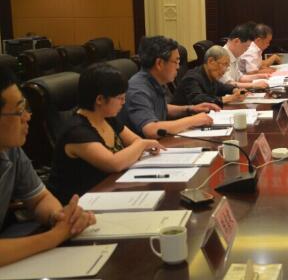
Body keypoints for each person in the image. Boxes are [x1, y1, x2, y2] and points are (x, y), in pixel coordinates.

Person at [0, 68, 95, 267]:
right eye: (19, 111)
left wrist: (60, 217)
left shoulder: (11, 150)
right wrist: (53, 237)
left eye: (26, 107)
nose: (27, 116)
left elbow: (39, 199)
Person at [48, 64, 165, 203]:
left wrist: (139, 145)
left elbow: (135, 140)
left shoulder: (107, 118)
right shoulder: (76, 132)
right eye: (120, 98)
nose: (124, 102)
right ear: (100, 100)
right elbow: (113, 163)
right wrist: (142, 145)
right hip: (79, 204)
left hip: (109, 191)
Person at [119, 36, 218, 138]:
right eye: (176, 62)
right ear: (159, 63)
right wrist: (192, 120)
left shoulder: (154, 80)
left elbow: (160, 107)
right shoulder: (138, 90)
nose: (178, 67)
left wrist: (190, 109)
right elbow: (151, 129)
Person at [172, 45, 247, 107]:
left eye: (227, 66)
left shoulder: (210, 75)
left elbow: (222, 87)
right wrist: (230, 98)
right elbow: (198, 100)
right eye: (224, 65)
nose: (225, 70)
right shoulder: (192, 78)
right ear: (211, 61)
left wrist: (235, 90)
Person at [221, 24, 269, 89]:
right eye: (246, 47)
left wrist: (261, 76)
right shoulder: (221, 56)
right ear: (236, 41)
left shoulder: (235, 55)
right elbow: (228, 83)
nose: (246, 50)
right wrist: (253, 85)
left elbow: (240, 77)